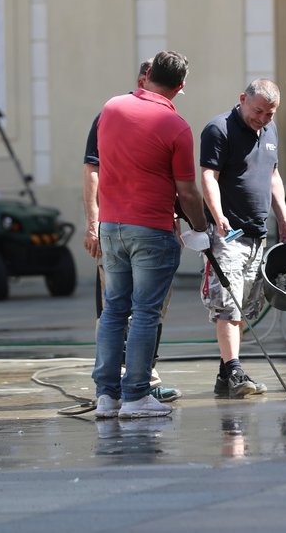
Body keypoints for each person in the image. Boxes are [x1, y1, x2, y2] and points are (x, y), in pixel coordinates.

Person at [92, 50, 208, 418]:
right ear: (181, 86)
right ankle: (137, 395)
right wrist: (201, 230)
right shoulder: (176, 127)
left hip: (110, 226)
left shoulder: (111, 108)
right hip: (151, 229)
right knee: (144, 313)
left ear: (147, 75)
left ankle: (106, 396)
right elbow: (187, 191)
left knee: (113, 311)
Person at [82, 59, 181, 403]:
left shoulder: (117, 110)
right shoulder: (113, 115)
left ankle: (120, 389)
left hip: (120, 227)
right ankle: (133, 391)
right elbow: (92, 171)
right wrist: (92, 223)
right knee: (134, 310)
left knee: (128, 309)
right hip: (135, 228)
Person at [199, 78, 286, 398]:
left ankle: (225, 373)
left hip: (257, 235)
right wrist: (218, 216)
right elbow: (208, 177)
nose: (263, 119)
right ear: (242, 99)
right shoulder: (219, 130)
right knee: (227, 307)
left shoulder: (270, 131)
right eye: (258, 111)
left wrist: (283, 217)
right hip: (227, 234)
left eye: (269, 114)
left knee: (243, 309)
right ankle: (236, 372)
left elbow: (273, 176)